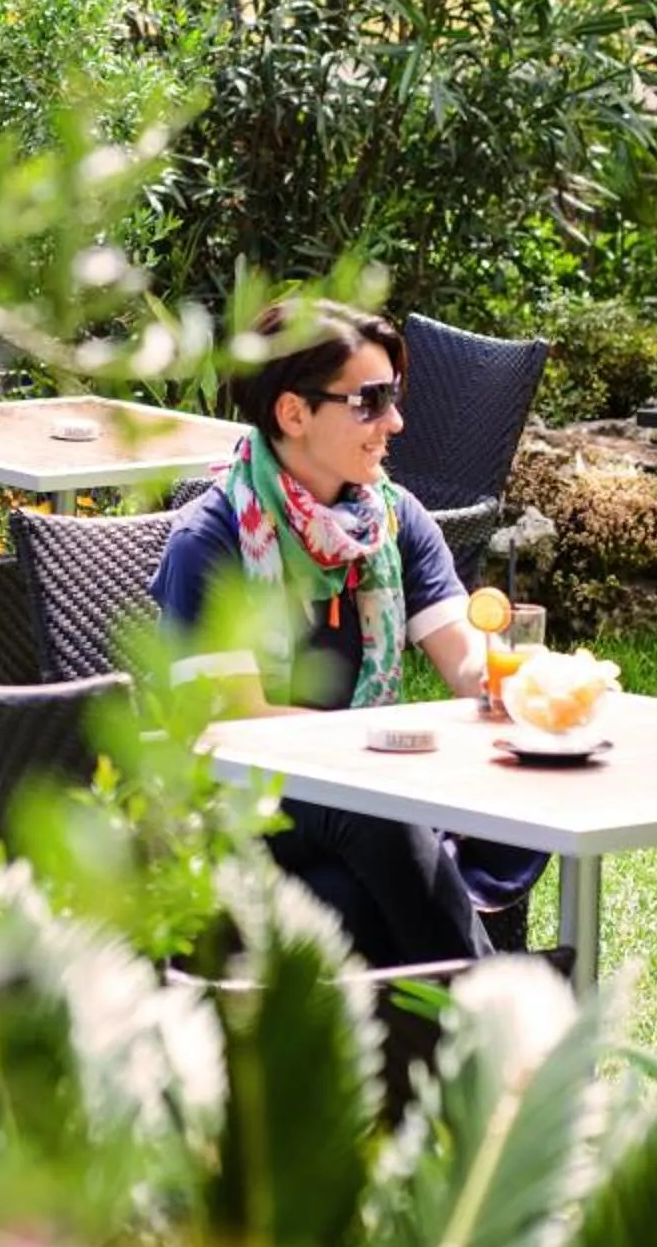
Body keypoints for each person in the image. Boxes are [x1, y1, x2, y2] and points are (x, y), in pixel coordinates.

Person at [150, 300, 537, 968]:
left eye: (395, 397)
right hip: (237, 803)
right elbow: (239, 727)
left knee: (375, 864)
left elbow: (468, 664)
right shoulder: (209, 542)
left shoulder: (392, 522)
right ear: (293, 413)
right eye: (371, 401)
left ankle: (437, 1041)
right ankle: (494, 1026)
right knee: (381, 810)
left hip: (359, 792)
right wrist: (382, 752)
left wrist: (520, 684)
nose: (396, 421)